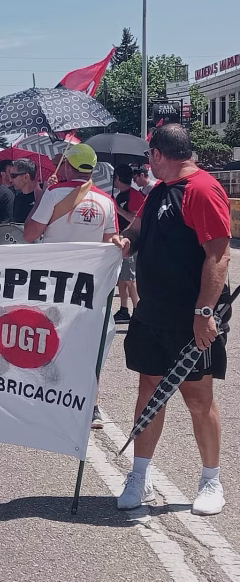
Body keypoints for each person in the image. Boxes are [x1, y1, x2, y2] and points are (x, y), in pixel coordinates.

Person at [114, 124, 231, 516]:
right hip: (153, 313)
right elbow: (137, 230)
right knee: (149, 390)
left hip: (190, 317)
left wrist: (204, 312)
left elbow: (219, 254)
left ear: (159, 155)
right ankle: (139, 477)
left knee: (198, 399)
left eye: (150, 156)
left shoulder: (202, 189)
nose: (149, 162)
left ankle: (211, 480)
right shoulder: (159, 192)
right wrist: (124, 241)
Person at [24, 143, 117, 430]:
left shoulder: (54, 194)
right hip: (89, 284)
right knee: (90, 342)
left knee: (52, 339)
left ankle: (49, 400)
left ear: (69, 166)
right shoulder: (106, 201)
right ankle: (92, 406)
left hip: (54, 281)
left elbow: (30, 234)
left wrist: (42, 200)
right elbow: (109, 242)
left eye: (60, 164)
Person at [113, 165, 145, 324]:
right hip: (120, 240)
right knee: (122, 279)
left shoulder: (134, 195)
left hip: (130, 242)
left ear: (118, 178)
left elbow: (135, 219)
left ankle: (137, 309)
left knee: (130, 278)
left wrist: (117, 209)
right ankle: (124, 309)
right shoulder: (120, 195)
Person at [10, 159, 38, 223]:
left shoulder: (41, 197)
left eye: (13, 176)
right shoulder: (17, 198)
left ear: (26, 177)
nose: (10, 180)